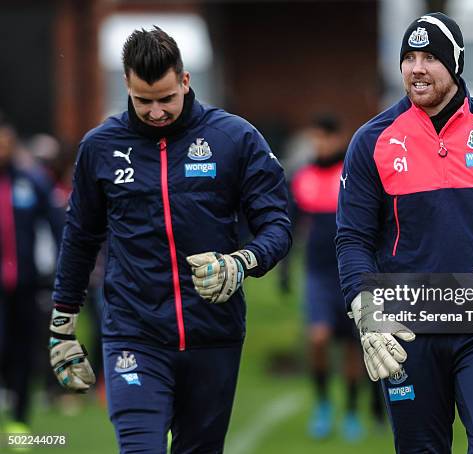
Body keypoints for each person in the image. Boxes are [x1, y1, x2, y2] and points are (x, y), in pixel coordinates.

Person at [49, 27, 291, 453]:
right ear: (126, 84)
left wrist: (241, 262)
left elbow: (276, 225)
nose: (156, 111)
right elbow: (80, 238)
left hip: (214, 336)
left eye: (166, 98)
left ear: (185, 81)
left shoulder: (234, 138)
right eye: (144, 101)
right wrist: (62, 325)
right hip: (133, 332)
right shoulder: (99, 148)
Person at [336, 12, 473, 453]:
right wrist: (365, 310)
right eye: (409, 57)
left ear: (455, 63)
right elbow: (352, 238)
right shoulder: (371, 140)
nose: (417, 68)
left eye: (430, 57)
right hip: (406, 329)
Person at [290, 114, 373, 441]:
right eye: (315, 138)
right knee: (319, 338)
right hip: (317, 273)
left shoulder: (352, 175)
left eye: (326, 137)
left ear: (339, 138)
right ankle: (323, 404)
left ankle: (352, 411)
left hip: (352, 273)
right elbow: (290, 224)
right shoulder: (302, 177)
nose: (320, 144)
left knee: (354, 347)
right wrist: (284, 270)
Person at [0, 114, 64, 435]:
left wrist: (63, 270)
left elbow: (57, 224)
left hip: (25, 282)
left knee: (24, 348)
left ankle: (20, 418)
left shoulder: (30, 180)